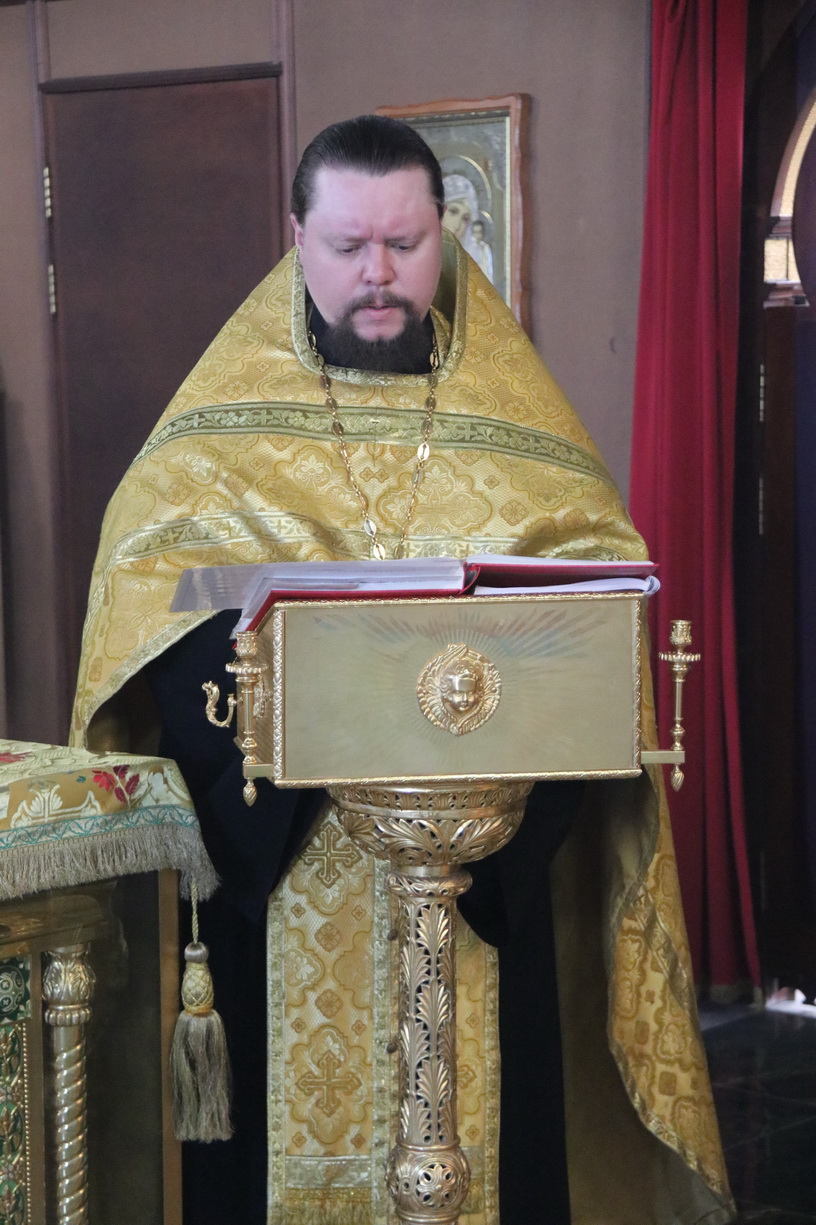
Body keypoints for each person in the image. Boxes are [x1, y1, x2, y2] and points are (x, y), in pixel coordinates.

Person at [72, 116, 733, 1225]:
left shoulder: (519, 428)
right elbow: (145, 613)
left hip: (485, 869)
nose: (377, 273)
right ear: (298, 239)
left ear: (445, 233)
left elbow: (593, 595)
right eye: (347, 246)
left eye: (405, 242)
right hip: (283, 875)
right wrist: (321, 706)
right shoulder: (209, 439)